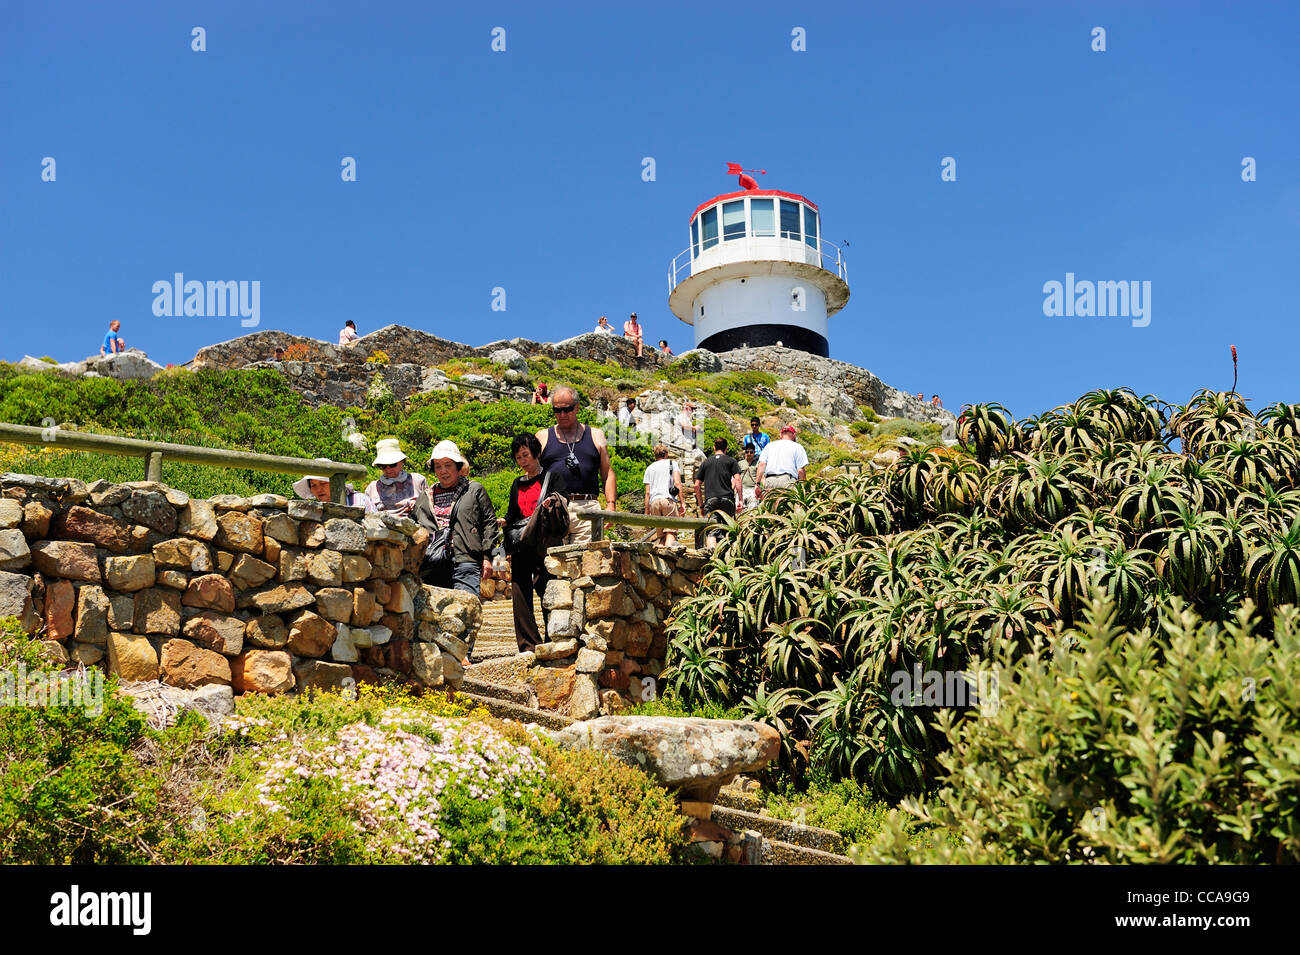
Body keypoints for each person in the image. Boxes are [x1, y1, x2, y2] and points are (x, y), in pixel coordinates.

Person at [412, 441, 502, 655]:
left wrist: (487, 556)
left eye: (448, 465)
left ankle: (462, 654)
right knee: (437, 609)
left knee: (466, 607)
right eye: (438, 466)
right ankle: (441, 654)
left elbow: (489, 524)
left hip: (466, 557)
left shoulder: (474, 490)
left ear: (458, 466)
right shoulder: (425, 497)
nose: (442, 471)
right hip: (433, 562)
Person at [503, 433, 568, 652]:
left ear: (537, 453)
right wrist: (505, 520)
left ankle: (553, 636)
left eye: (525, 455)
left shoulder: (552, 477)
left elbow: (562, 502)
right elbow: (513, 513)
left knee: (546, 586)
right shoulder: (516, 483)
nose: (523, 461)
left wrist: (552, 502)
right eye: (518, 457)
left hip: (545, 541)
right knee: (520, 591)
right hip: (522, 541)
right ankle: (528, 644)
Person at [536, 386, 617, 545]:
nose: (562, 414)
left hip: (587, 507)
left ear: (577, 407)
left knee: (588, 562)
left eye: (567, 409)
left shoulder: (595, 435)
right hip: (554, 509)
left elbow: (607, 473)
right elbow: (532, 474)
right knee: (554, 565)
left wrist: (611, 505)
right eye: (557, 410)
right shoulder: (542, 436)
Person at [364, 439, 429, 518]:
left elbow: (429, 508)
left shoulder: (418, 481)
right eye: (383, 466)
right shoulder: (372, 488)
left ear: (402, 461)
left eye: (392, 464)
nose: (388, 470)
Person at [696, 437, 743, 547]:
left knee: (711, 532)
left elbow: (697, 485)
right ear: (726, 448)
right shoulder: (731, 461)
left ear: (714, 448)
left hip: (711, 500)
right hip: (727, 500)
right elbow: (738, 479)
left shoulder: (705, 463)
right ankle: (727, 560)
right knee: (729, 530)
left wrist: (701, 506)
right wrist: (740, 499)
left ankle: (712, 559)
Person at [292, 459, 377, 512]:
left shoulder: (360, 501)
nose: (318, 489)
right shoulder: (313, 511)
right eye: (313, 485)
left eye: (323, 483)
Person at [644, 444, 685, 545]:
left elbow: (647, 493)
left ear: (655, 455)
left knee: (661, 536)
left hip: (654, 503)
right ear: (666, 454)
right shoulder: (672, 463)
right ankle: (668, 559)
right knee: (671, 532)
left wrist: (646, 512)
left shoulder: (649, 468)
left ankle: (660, 559)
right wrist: (682, 503)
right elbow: (677, 483)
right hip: (668, 500)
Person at [756, 425, 808, 499]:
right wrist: (804, 488)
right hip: (788, 482)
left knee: (771, 509)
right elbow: (800, 471)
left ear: (780, 435)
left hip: (770, 481)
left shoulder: (769, 446)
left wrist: (757, 484)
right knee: (789, 508)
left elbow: (761, 465)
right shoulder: (797, 447)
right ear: (794, 435)